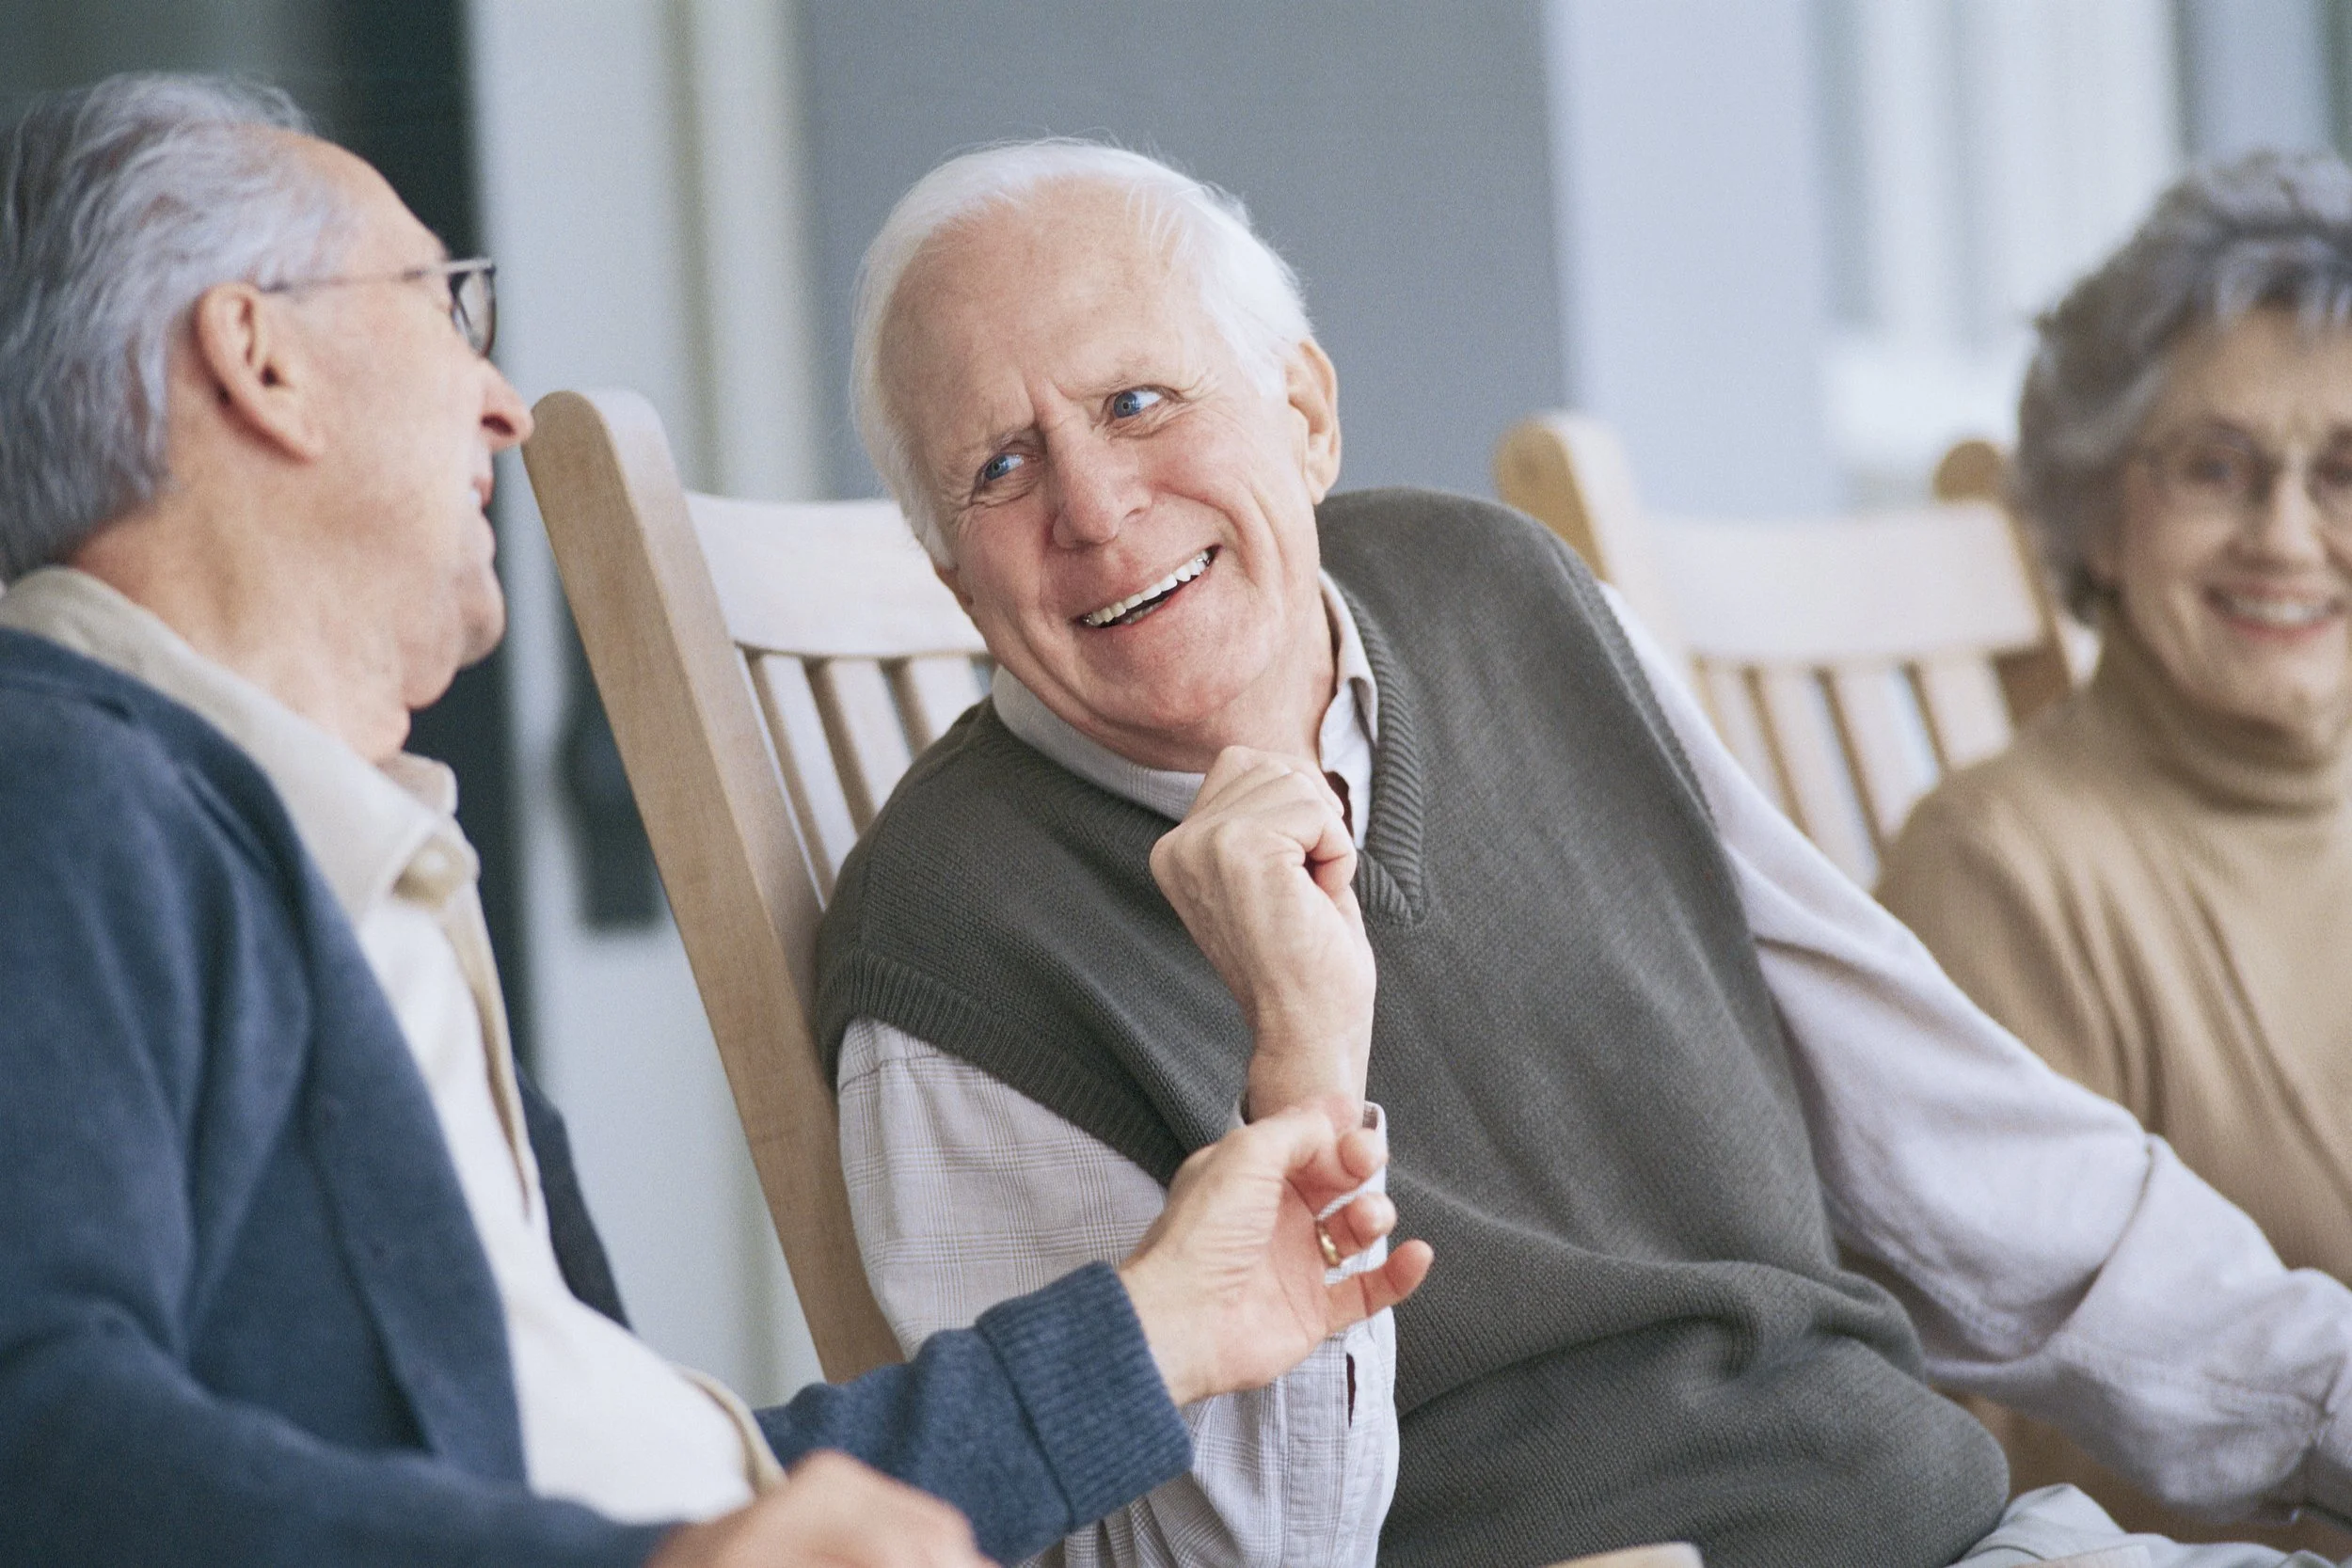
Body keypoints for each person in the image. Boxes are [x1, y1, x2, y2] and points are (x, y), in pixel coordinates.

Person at [816, 137, 2352, 1568]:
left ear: (1304, 413)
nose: (1095, 506)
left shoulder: (1500, 603)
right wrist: (1299, 1057)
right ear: (954, 575)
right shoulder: (951, 944)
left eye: (1139, 402)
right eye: (1001, 469)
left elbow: (1963, 1151)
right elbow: (1218, 1556)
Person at [0, 74, 1428, 1568]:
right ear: (260, 359)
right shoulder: (65, 794)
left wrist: (1158, 1325)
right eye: (446, 308)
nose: (500, 403)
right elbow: (33, 1437)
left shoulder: (336, 867)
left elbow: (699, 1502)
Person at [1877, 150, 2352, 1553]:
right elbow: (1973, 1428)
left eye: (2344, 470)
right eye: (2215, 465)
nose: (2284, 535)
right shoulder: (2002, 866)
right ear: (2097, 500)